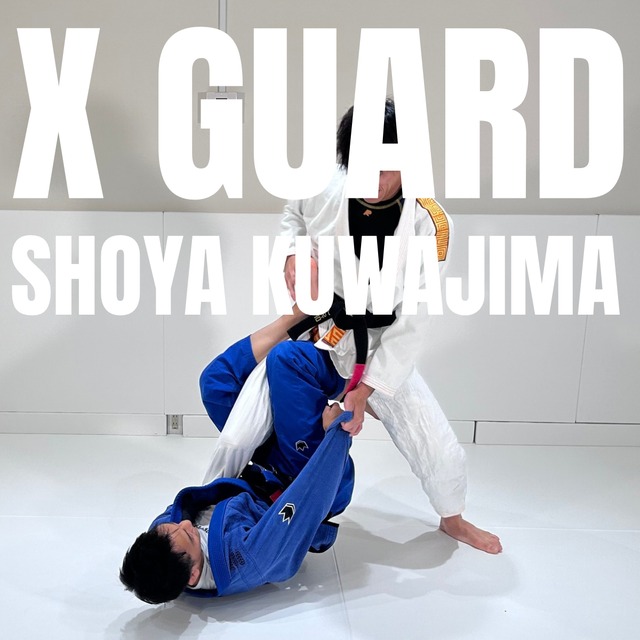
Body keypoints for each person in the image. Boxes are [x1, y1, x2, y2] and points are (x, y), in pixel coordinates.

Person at [279, 98, 502, 554]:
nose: (374, 181)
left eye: (386, 168)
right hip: (323, 333)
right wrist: (293, 253)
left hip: (382, 348)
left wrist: (366, 390)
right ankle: (231, 504)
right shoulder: (326, 188)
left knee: (437, 446)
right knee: (249, 423)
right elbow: (293, 215)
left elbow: (415, 319)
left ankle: (454, 520)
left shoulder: (430, 222)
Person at [120, 315, 355, 604]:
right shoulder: (250, 556)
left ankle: (297, 318)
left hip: (266, 468)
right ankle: (352, 371)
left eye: (172, 527)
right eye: (190, 537)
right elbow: (307, 506)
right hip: (308, 477)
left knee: (216, 384)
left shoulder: (165, 553)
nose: (185, 524)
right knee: (287, 361)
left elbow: (170, 530)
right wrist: (336, 433)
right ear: (193, 575)